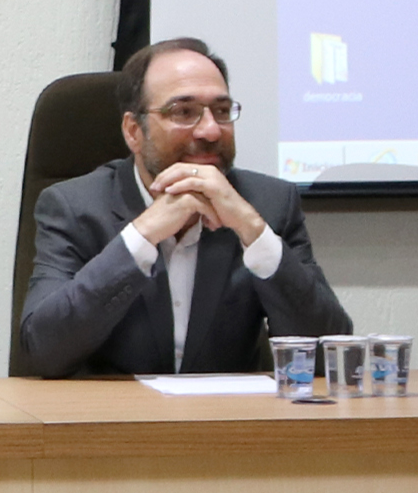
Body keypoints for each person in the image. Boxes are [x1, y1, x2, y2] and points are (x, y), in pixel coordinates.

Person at [21, 37, 349, 377]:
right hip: (114, 422)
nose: (210, 130)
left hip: (227, 423)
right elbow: (44, 351)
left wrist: (254, 231)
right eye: (184, 112)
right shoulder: (75, 208)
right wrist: (142, 235)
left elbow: (328, 357)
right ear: (134, 131)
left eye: (221, 111)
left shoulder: (269, 204)